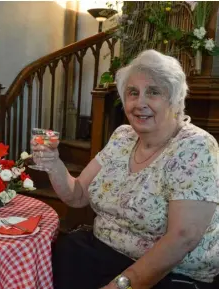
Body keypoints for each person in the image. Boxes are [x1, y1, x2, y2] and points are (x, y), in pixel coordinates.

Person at [32, 49, 219, 289]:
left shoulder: (196, 146)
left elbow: (182, 238)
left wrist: (121, 286)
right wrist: (53, 163)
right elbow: (77, 195)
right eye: (133, 93)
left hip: (170, 273)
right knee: (59, 254)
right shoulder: (122, 136)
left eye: (153, 92)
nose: (140, 102)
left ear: (174, 100)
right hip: (103, 252)